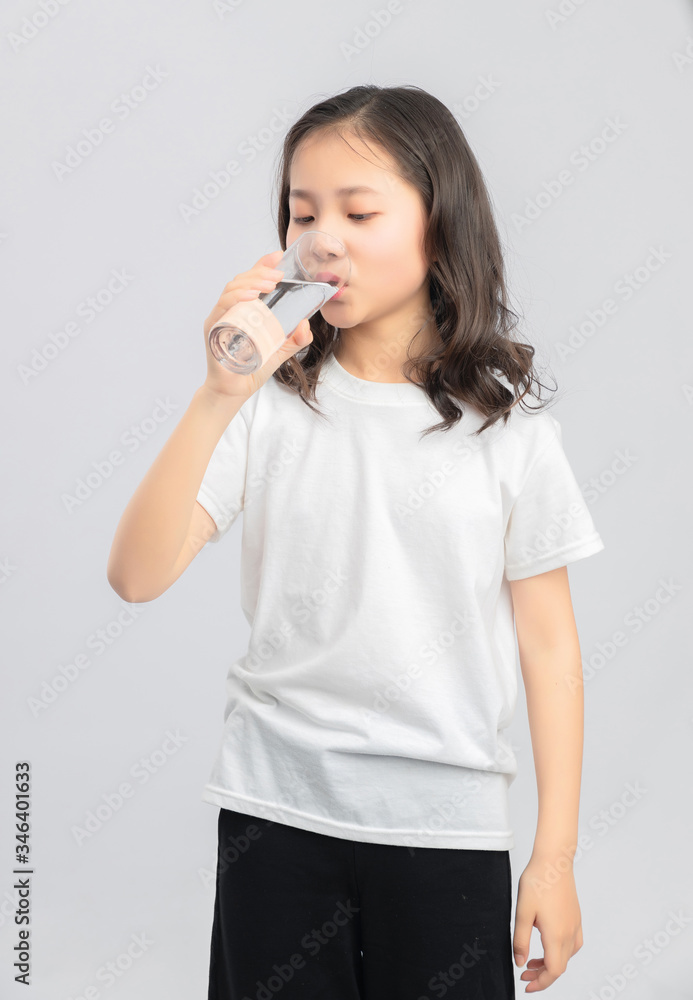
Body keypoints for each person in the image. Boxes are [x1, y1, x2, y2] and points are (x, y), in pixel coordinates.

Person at [107, 84, 605, 999]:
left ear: (439, 222)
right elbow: (136, 576)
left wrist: (554, 858)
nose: (321, 237)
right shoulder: (269, 411)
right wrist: (219, 394)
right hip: (274, 820)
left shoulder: (510, 435)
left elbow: (550, 649)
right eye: (302, 211)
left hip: (445, 832)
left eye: (358, 210)